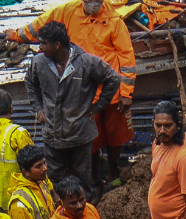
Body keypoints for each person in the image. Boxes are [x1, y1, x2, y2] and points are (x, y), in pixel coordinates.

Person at [7, 0, 138, 189]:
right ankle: (95, 179)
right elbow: (40, 25)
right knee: (91, 143)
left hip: (112, 94)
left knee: (116, 138)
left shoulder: (114, 21)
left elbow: (127, 57)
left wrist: (126, 93)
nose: (94, 2)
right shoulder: (67, 12)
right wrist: (15, 35)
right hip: (84, 94)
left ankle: (113, 172)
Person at [24, 21, 120, 189]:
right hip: (52, 136)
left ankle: (85, 210)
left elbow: (113, 79)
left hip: (80, 135)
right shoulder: (39, 62)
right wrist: (38, 108)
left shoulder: (86, 62)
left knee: (82, 179)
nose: (40, 47)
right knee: (55, 180)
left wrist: (98, 106)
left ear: (57, 45)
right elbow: (30, 82)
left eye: (44, 43)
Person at [138, 101, 186, 219]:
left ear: (178, 125)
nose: (162, 130)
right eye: (158, 125)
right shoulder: (158, 143)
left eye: (168, 126)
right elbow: (157, 182)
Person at [7, 144, 55, 219]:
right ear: (26, 172)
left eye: (44, 163)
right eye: (38, 166)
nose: (44, 168)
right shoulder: (19, 203)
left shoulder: (41, 182)